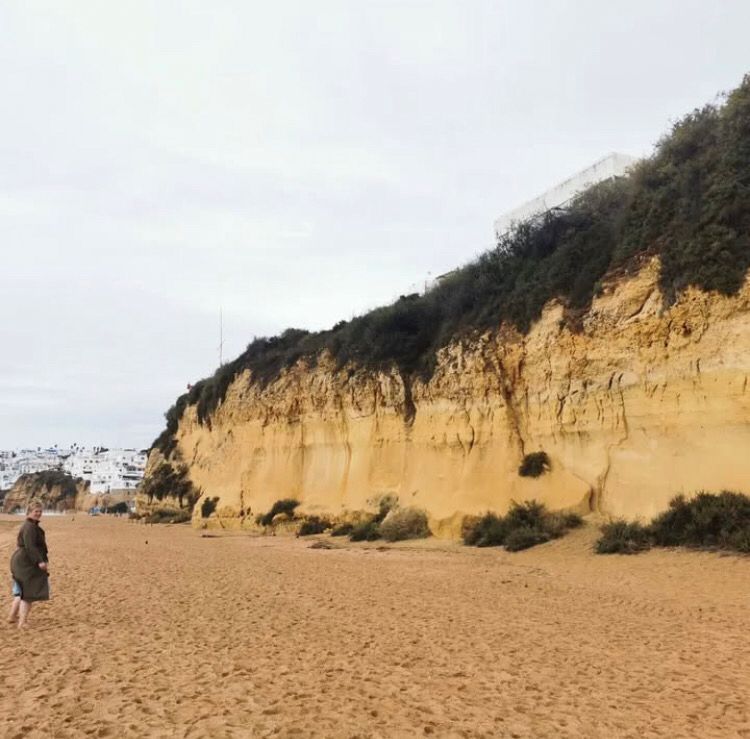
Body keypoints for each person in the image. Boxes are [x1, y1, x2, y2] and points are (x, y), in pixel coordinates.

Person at [8, 501, 50, 628]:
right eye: (36, 511)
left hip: (23, 560)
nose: (38, 513)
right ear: (29, 512)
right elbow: (30, 546)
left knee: (21, 591)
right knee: (29, 593)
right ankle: (22, 622)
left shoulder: (31, 526)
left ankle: (12, 617)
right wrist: (40, 561)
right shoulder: (29, 527)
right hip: (25, 562)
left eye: (40, 511)